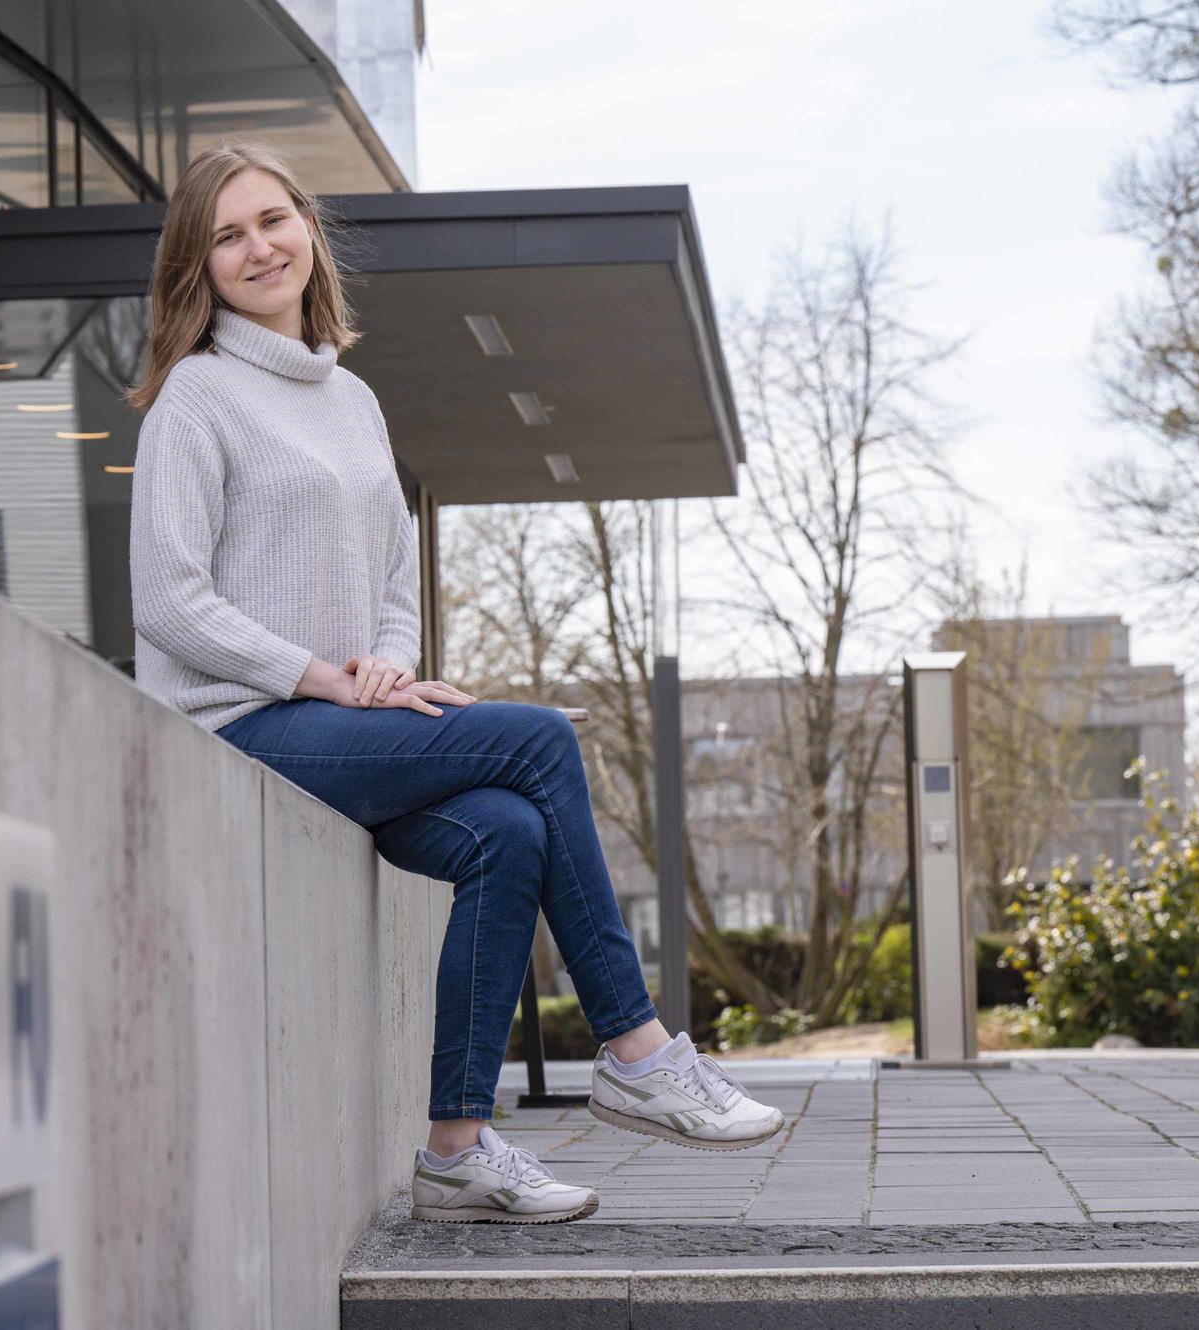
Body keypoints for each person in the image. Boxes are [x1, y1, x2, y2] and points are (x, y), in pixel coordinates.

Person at [125, 141, 783, 1225]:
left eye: (272, 220)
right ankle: (634, 1046)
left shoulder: (352, 400)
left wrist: (384, 660)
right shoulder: (195, 398)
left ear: (306, 231)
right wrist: (322, 681)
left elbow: (392, 572)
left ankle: (454, 1145)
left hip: (342, 721)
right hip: (240, 726)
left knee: (506, 834)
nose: (257, 247)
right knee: (534, 740)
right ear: (198, 267)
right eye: (226, 235)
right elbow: (167, 600)